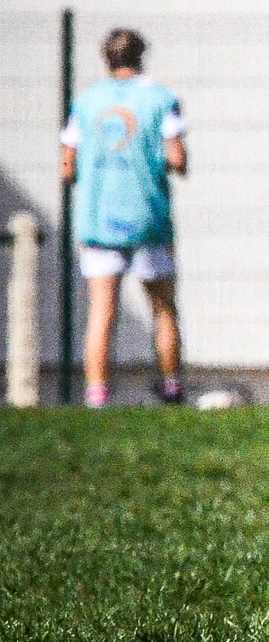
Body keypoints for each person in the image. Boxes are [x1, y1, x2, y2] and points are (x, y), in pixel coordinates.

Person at [60, 28, 188, 407]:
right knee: (163, 307)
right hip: (149, 218)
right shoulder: (162, 99)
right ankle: (171, 386)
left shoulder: (86, 102)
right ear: (141, 56)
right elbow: (177, 158)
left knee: (102, 310)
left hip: (100, 220)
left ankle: (97, 395)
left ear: (106, 58)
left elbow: (67, 167)